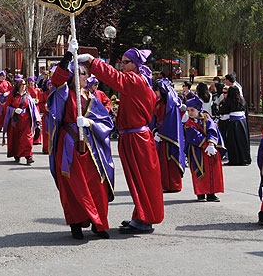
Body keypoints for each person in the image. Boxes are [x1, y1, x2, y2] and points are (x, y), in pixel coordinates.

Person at [78, 46, 163, 234]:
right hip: (133, 136)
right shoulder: (139, 80)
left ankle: (145, 219)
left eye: (125, 62)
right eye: (121, 62)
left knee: (142, 180)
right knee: (137, 180)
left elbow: (115, 78)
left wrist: (93, 62)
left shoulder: (135, 80)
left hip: (137, 138)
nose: (122, 65)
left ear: (135, 64)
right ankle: (140, 215)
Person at [47, 60, 115, 239]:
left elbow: (106, 122)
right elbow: (56, 80)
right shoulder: (64, 94)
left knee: (97, 184)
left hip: (92, 148)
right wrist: (68, 55)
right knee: (73, 186)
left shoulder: (91, 97)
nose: (87, 76)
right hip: (69, 145)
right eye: (83, 73)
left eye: (86, 73)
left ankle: (99, 223)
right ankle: (75, 224)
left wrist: (90, 123)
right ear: (73, 77)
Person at [184, 96, 225, 202]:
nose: (190, 113)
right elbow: (195, 136)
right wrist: (206, 145)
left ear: (198, 109)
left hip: (210, 150)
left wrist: (211, 144)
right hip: (196, 151)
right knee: (199, 171)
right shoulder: (188, 124)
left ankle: (211, 194)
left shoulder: (207, 118)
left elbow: (212, 130)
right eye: (188, 110)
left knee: (212, 171)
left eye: (192, 110)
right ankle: (200, 193)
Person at [150, 79, 186, 193]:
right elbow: (154, 119)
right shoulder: (158, 102)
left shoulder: (171, 105)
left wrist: (162, 133)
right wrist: (154, 131)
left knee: (170, 160)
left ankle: (173, 185)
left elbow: (172, 122)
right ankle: (164, 183)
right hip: (160, 134)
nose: (155, 92)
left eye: (156, 90)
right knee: (161, 161)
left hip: (169, 135)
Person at [3, 78, 40, 165]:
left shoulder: (27, 96)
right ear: (18, 86)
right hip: (15, 121)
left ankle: (28, 156)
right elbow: (6, 107)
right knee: (15, 138)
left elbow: (33, 108)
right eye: (22, 84)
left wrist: (37, 120)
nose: (24, 86)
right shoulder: (12, 96)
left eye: (24, 84)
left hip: (26, 120)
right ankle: (17, 155)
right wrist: (14, 110)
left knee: (27, 138)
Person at [218, 85, 251, 165]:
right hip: (242, 122)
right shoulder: (242, 100)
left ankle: (235, 160)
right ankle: (245, 159)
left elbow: (223, 111)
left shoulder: (229, 100)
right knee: (242, 141)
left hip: (233, 123)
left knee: (233, 142)